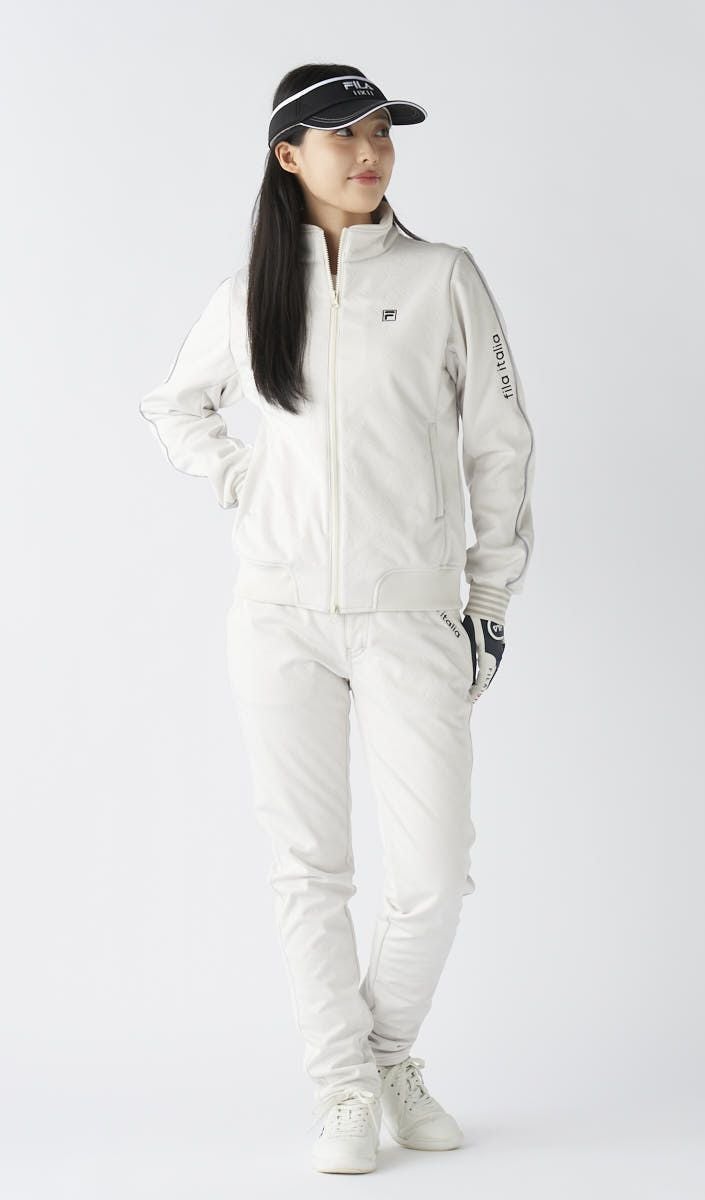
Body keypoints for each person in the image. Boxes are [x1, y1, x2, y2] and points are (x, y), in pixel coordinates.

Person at [137, 64, 536, 1175]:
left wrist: (487, 599)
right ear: (288, 155)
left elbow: (500, 443)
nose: (369, 154)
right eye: (342, 136)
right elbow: (175, 405)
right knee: (309, 871)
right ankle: (346, 1090)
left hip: (413, 615)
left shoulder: (444, 277)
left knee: (434, 876)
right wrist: (240, 479)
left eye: (380, 135)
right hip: (279, 616)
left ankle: (385, 1053)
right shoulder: (250, 293)